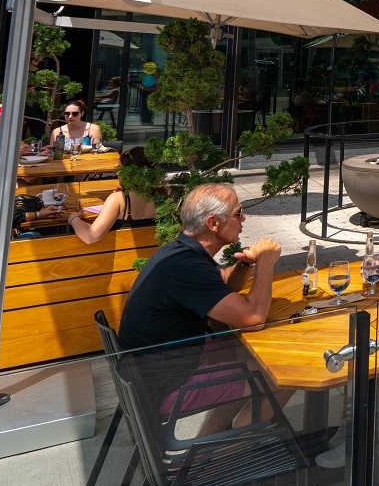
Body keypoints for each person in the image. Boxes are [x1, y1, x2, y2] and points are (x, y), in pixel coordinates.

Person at [117, 184, 282, 446]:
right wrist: (266, 263)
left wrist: (247, 263)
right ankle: (221, 476)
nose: (243, 219)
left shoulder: (181, 252)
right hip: (165, 388)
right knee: (278, 376)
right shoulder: (186, 266)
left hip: (146, 378)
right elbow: (252, 319)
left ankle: (204, 453)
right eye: (237, 213)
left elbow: (223, 284)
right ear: (213, 223)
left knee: (247, 360)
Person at [67, 149, 158, 243]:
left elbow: (90, 236)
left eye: (120, 170)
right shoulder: (162, 195)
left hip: (120, 253)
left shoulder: (119, 199)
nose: (117, 173)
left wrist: (73, 218)